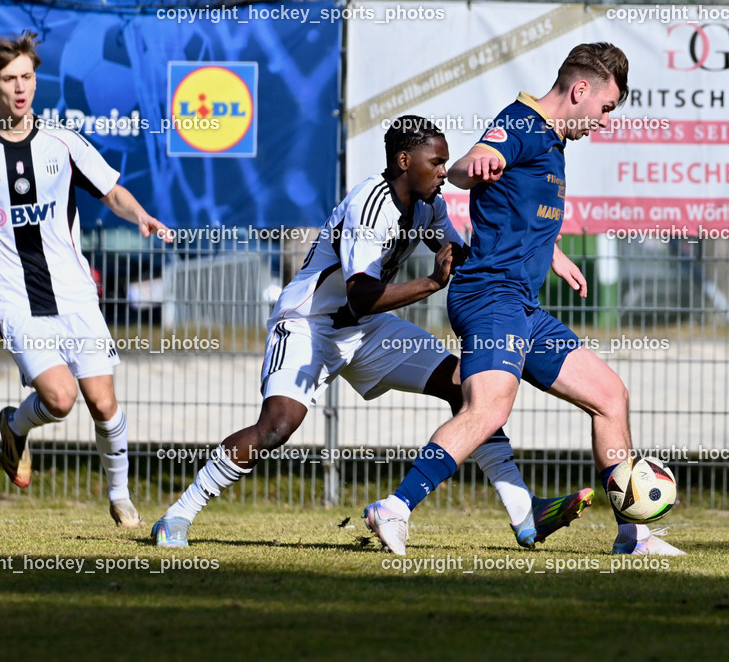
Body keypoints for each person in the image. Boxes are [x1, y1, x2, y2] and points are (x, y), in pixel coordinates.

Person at [151, 116, 592, 548]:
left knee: (466, 389)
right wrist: (432, 283)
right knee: (277, 427)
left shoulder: (429, 203)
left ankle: (524, 511)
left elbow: (456, 252)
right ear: (404, 161)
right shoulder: (370, 203)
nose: (444, 172)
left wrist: (542, 250)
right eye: (436, 163)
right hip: (309, 326)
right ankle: (178, 515)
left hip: (367, 330)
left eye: (446, 163)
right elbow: (361, 293)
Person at [364, 44, 685, 557]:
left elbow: (516, 211)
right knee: (487, 409)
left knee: (610, 396)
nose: (603, 122)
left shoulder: (553, 145)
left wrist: (552, 252)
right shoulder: (523, 122)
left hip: (522, 304)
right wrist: (477, 164)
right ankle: (394, 508)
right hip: (489, 296)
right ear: (580, 91)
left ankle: (633, 536)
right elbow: (469, 167)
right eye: (605, 109)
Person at [0, 31, 172, 527]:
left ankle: (120, 495)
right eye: (8, 79)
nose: (19, 88)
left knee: (103, 402)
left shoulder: (63, 142)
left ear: (35, 79)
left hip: (73, 291)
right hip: (13, 296)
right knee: (61, 399)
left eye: (27, 77)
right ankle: (15, 425)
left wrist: (141, 217)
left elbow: (111, 191)